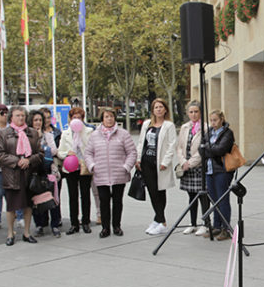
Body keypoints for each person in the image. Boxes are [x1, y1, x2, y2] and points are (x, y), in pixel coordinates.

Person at [83, 107, 136, 237]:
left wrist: (126, 167)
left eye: (111, 116)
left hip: (119, 174)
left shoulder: (123, 134)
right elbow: (88, 153)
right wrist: (92, 166)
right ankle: (105, 228)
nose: (109, 119)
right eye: (106, 116)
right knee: (103, 201)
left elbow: (132, 152)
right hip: (100, 174)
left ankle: (116, 226)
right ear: (102, 118)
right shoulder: (94, 135)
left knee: (117, 201)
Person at [0, 105, 42, 246]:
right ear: (11, 117)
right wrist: (17, 161)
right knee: (11, 206)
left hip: (29, 174)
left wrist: (29, 160)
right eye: (17, 115)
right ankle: (10, 233)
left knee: (28, 205)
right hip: (12, 174)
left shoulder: (32, 133)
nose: (20, 118)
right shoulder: (4, 133)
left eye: (22, 115)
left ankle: (27, 233)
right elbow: (0, 154)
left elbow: (40, 153)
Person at [136, 98, 177, 235]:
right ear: (152, 110)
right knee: (152, 192)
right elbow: (142, 141)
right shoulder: (147, 124)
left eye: (161, 107)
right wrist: (138, 159)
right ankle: (158, 219)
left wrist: (165, 162)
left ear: (165, 109)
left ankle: (161, 222)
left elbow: (172, 145)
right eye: (156, 107)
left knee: (160, 191)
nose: (158, 109)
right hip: (146, 161)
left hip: (160, 163)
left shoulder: (169, 125)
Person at [57, 106, 95, 234]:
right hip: (70, 167)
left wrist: (81, 135)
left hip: (84, 167)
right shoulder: (65, 133)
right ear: (70, 119)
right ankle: (74, 223)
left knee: (85, 195)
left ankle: (86, 222)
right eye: (74, 117)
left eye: (79, 118)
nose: (77, 120)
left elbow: (91, 149)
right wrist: (68, 153)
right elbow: (60, 152)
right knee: (72, 196)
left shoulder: (89, 131)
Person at [176, 101, 210, 236]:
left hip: (199, 167)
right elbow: (179, 147)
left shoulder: (206, 128)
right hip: (186, 168)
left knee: (203, 196)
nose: (193, 114)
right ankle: (193, 223)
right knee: (191, 196)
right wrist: (183, 161)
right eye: (191, 112)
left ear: (200, 112)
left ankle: (205, 223)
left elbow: (203, 150)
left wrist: (190, 163)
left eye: (196, 111)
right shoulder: (184, 127)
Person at [200, 109, 234, 241]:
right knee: (214, 199)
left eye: (215, 120)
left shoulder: (227, 133)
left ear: (221, 119)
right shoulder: (209, 132)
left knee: (223, 199)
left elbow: (221, 149)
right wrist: (210, 149)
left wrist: (208, 149)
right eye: (211, 120)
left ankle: (226, 228)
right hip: (209, 170)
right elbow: (200, 148)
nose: (213, 123)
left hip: (222, 170)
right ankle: (216, 226)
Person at [30, 109, 62, 237]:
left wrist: (45, 146)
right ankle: (40, 224)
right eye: (35, 120)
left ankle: (55, 224)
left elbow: (54, 150)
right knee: (37, 199)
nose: (38, 122)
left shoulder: (48, 135)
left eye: (40, 120)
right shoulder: (27, 135)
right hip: (35, 171)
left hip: (49, 169)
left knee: (53, 197)